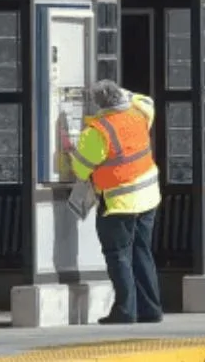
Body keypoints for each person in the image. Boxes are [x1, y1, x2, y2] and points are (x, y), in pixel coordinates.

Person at [70, 80, 163, 325]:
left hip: (118, 203)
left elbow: (80, 169)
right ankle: (151, 309)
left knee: (118, 255)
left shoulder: (97, 132)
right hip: (148, 197)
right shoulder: (140, 112)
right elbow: (142, 98)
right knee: (142, 252)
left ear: (97, 105)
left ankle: (125, 311)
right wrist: (123, 94)